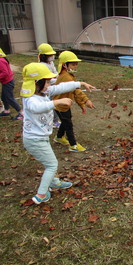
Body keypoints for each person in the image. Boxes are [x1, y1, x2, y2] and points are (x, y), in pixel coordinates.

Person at [20, 63, 95, 204]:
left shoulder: (44, 91)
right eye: (47, 81)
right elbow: (37, 108)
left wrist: (81, 83)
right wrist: (57, 102)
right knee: (52, 165)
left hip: (41, 138)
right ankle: (41, 194)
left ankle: (53, 181)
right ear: (36, 82)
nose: (50, 85)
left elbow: (61, 87)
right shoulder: (30, 99)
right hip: (34, 140)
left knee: (49, 161)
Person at [53, 51, 95, 152]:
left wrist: (82, 104)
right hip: (61, 105)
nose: (75, 66)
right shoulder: (66, 77)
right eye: (73, 64)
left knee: (66, 120)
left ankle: (58, 137)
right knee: (68, 124)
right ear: (64, 65)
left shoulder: (68, 74)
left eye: (76, 64)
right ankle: (73, 145)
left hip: (63, 105)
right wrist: (86, 100)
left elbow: (74, 91)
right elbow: (77, 91)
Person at [38, 43, 61, 128]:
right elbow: (48, 80)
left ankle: (54, 119)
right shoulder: (42, 66)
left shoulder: (50, 63)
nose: (52, 56)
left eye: (52, 54)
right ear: (44, 56)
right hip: (48, 88)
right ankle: (54, 121)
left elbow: (55, 73)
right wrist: (58, 80)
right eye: (49, 55)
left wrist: (58, 77)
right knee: (51, 104)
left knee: (54, 103)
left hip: (54, 85)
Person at [0, 48, 24, 120]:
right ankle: (7, 110)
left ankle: (21, 112)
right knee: (4, 97)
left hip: (8, 82)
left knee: (10, 98)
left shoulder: (0, 61)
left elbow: (5, 73)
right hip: (5, 82)